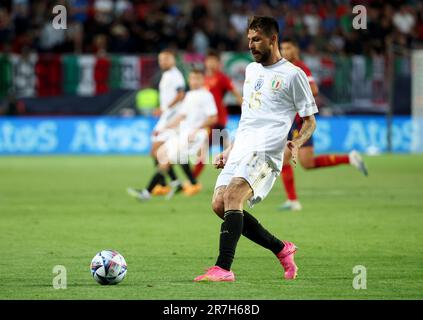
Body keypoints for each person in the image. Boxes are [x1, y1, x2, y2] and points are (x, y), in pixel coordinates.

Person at [194, 16, 318, 282]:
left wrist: (296, 142)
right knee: (219, 204)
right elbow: (248, 117)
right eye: (249, 40)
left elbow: (309, 120)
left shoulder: (293, 75)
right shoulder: (251, 71)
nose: (251, 45)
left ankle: (223, 268)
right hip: (243, 148)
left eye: (257, 39)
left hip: (267, 152)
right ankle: (281, 248)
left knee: (234, 196)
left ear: (273, 39)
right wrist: (230, 149)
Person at [279, 38, 368, 211]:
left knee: (285, 160)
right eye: (282, 48)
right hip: (293, 121)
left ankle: (293, 201)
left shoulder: (300, 67)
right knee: (307, 163)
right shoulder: (285, 68)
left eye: (288, 48)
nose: (284, 51)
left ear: (295, 50)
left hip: (300, 122)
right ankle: (349, 158)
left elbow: (314, 90)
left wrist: (293, 97)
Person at [127, 49, 185, 201]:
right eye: (161, 59)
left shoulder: (175, 75)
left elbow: (180, 95)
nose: (163, 62)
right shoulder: (166, 75)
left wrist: (164, 108)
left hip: (172, 119)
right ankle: (175, 182)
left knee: (159, 153)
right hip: (166, 118)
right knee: (155, 152)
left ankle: (152, 190)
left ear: (173, 60)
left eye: (166, 59)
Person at [155, 68, 218, 198]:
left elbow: (213, 117)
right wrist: (165, 127)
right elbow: (182, 116)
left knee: (169, 157)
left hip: (197, 134)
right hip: (186, 132)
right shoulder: (189, 95)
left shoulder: (206, 95)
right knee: (177, 156)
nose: (194, 81)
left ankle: (153, 189)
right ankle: (191, 183)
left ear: (202, 80)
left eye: (197, 78)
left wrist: (197, 129)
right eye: (192, 78)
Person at [192, 49, 243, 179]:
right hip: (208, 120)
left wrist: (246, 108)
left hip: (218, 120)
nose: (211, 64)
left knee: (204, 150)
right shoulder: (203, 79)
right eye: (209, 61)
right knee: (225, 151)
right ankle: (238, 175)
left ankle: (191, 181)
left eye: (214, 61)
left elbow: (235, 93)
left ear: (218, 63)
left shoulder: (221, 78)